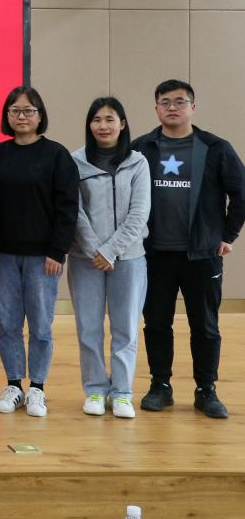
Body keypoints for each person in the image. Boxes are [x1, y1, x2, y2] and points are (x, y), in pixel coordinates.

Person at [134, 79, 244, 420]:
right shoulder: (141, 148)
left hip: (202, 255)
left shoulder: (216, 148)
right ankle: (160, 386)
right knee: (156, 323)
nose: (172, 107)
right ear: (156, 108)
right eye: (165, 102)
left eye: (179, 102)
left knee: (205, 326)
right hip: (154, 255)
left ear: (192, 107)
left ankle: (206, 390)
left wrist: (227, 235)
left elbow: (241, 194)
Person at [0, 86, 78, 418]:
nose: (22, 116)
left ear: (40, 116)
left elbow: (68, 207)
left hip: (44, 257)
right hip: (4, 254)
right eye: (15, 110)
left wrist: (58, 250)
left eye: (29, 110)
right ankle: (14, 384)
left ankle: (37, 387)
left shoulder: (57, 155)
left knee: (41, 324)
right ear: (6, 116)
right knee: (8, 322)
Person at [69, 97, 150, 419]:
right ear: (89, 125)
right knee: (88, 327)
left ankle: (122, 393)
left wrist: (111, 250)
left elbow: (139, 213)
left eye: (110, 119)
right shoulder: (75, 161)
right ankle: (94, 389)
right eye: (96, 120)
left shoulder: (138, 163)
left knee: (125, 328)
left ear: (122, 124)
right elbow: (74, 212)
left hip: (129, 258)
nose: (103, 126)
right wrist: (96, 250)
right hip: (85, 259)